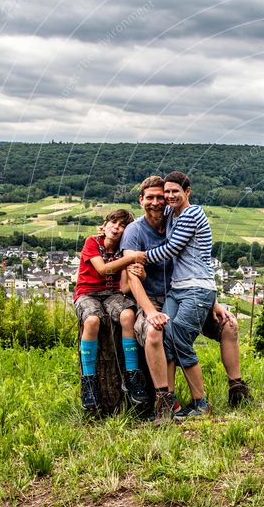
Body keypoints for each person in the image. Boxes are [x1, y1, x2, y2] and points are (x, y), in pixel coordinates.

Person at [121, 176, 252, 421]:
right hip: (177, 291)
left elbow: (172, 251)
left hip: (195, 289)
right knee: (166, 337)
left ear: (187, 191)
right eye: (160, 194)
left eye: (170, 193)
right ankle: (170, 403)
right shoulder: (163, 218)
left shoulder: (191, 215)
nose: (164, 199)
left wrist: (138, 257)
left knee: (196, 337)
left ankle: (210, 400)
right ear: (141, 200)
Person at [73, 209, 147, 412]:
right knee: (92, 321)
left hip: (113, 293)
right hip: (88, 293)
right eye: (113, 222)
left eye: (122, 226)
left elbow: (123, 288)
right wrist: (133, 257)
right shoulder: (92, 242)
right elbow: (102, 269)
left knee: (128, 315)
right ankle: (89, 380)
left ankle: (132, 374)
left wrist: (139, 273)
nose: (116, 228)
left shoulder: (124, 250)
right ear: (104, 226)